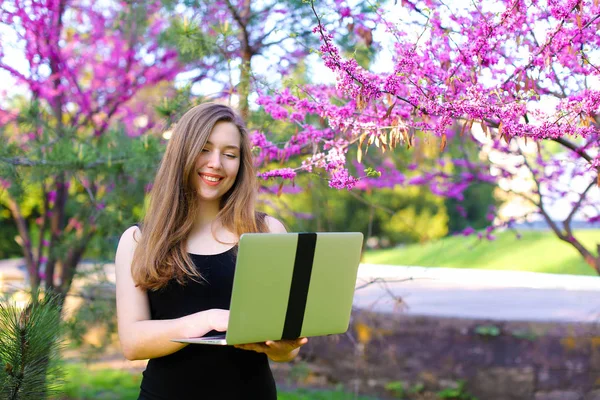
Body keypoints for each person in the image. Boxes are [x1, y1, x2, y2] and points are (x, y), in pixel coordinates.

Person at [115, 102, 308, 399]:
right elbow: (132, 343)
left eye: (229, 154)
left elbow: (283, 352)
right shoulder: (139, 241)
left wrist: (284, 348)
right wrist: (208, 320)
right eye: (205, 149)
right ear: (182, 153)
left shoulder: (267, 232)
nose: (216, 163)